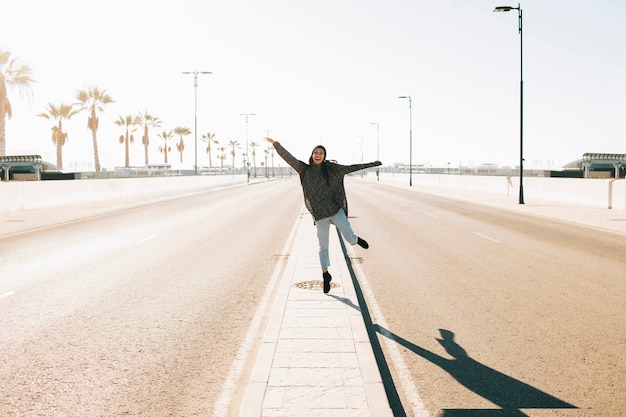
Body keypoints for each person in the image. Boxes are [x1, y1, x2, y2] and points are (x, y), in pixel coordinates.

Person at [266, 137, 382, 293]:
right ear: (312, 155)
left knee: (349, 238)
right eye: (315, 152)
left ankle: (356, 240)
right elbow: (289, 158)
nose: (318, 155)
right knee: (323, 246)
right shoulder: (304, 169)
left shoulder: (332, 170)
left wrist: (372, 164)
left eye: (321, 153)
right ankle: (325, 275)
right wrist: (276, 144)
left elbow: (351, 168)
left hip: (335, 210)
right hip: (320, 215)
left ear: (324, 156)